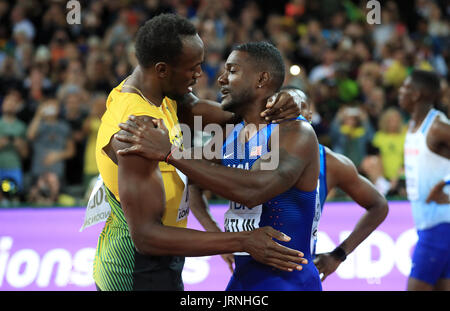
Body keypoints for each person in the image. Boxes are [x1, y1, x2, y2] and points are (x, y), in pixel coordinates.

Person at [93, 13, 307, 291]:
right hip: (134, 271)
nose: (200, 75)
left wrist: (286, 99)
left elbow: (217, 114)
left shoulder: (158, 92)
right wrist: (242, 241)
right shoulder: (138, 130)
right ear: (161, 69)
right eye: (192, 68)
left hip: (163, 262)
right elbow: (146, 237)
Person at [398, 69, 450, 291]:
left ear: (417, 94)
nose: (400, 92)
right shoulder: (413, 125)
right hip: (428, 224)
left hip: (440, 225)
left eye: (405, 87)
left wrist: (445, 184)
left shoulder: (437, 127)